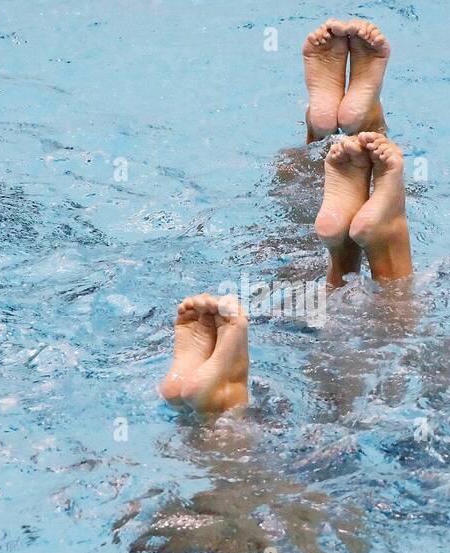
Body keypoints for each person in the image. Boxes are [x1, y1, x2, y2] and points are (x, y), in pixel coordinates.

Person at [160, 20, 412, 415]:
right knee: (393, 327)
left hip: (277, 319)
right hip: (286, 306)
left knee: (230, 450)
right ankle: (384, 238)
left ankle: (222, 409)